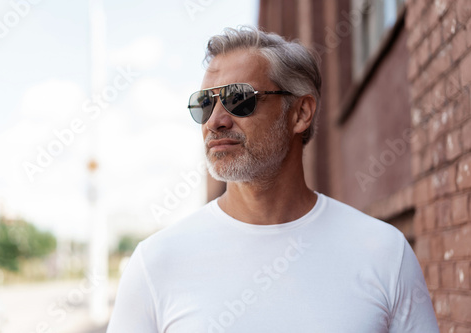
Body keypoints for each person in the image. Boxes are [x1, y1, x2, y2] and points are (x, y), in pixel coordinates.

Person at [107, 26, 439, 333]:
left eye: (239, 99)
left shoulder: (384, 252)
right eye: (205, 103)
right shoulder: (157, 262)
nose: (216, 121)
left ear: (300, 113)